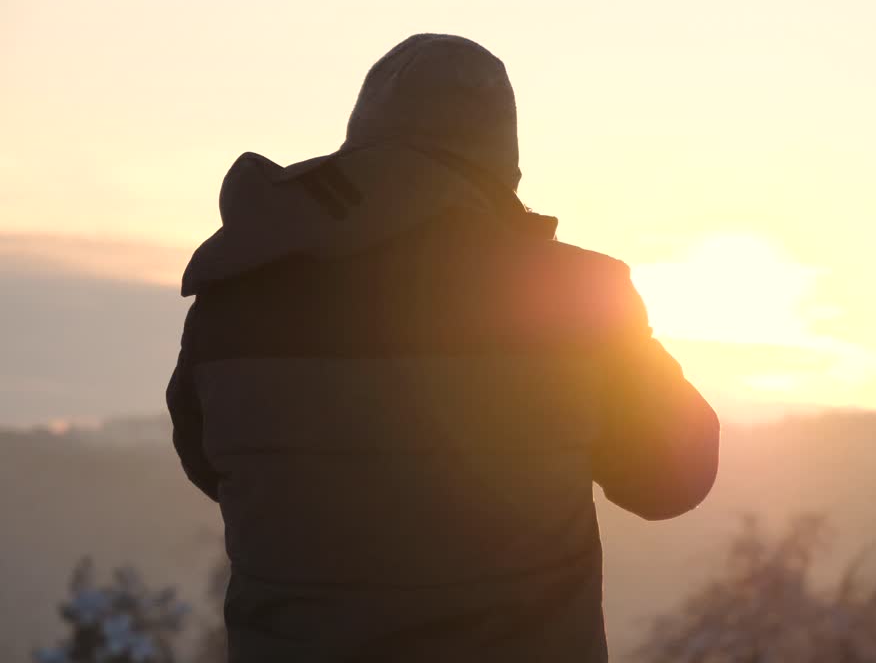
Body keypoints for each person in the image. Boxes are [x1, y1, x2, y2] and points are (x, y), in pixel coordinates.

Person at [166, 34, 720, 662]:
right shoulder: (576, 297)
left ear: (361, 140)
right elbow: (674, 477)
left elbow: (215, 467)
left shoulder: (235, 297)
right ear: (501, 161)